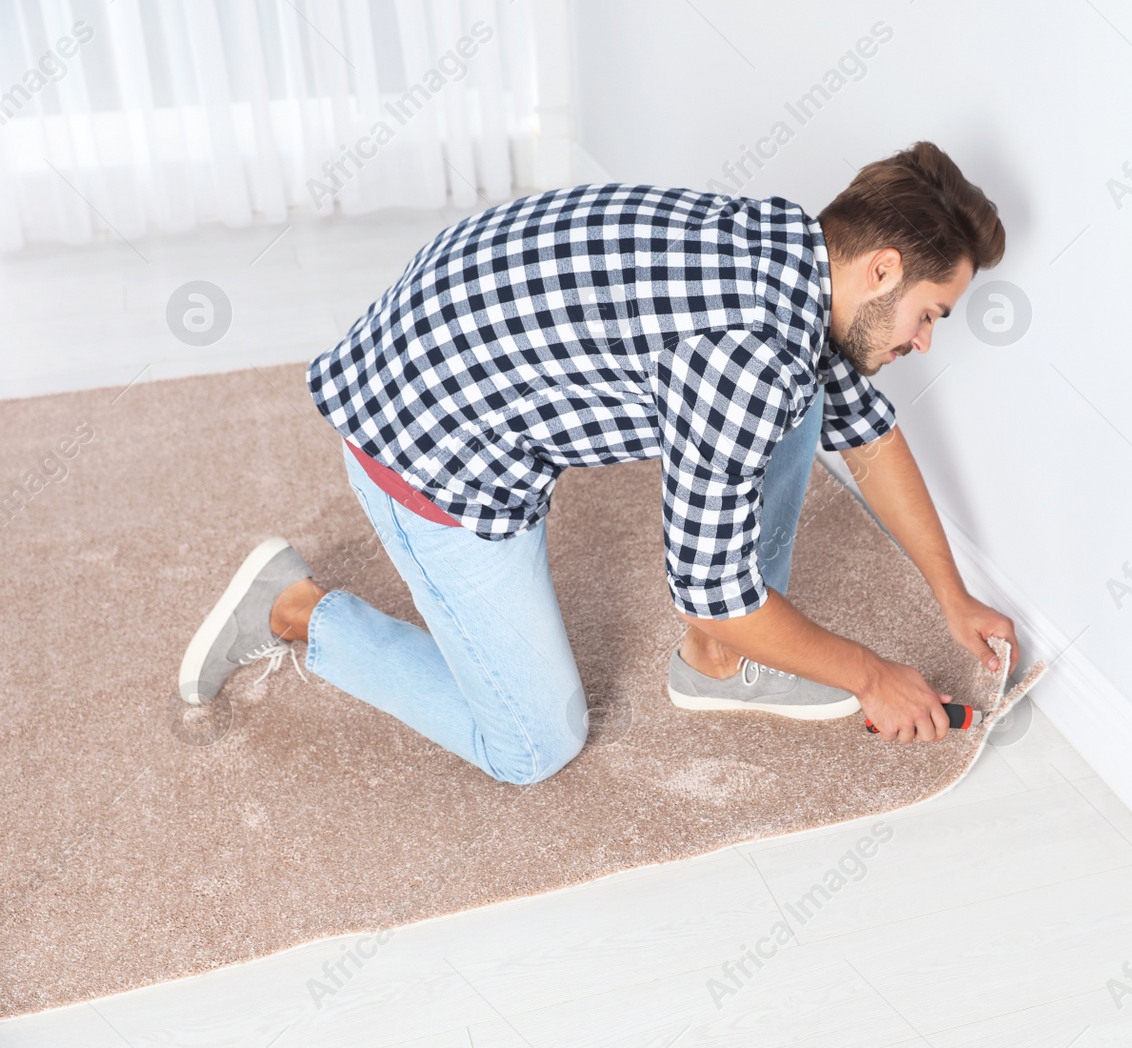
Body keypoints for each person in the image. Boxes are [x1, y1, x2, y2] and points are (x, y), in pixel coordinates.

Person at [177, 140, 1019, 785]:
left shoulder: (791, 251)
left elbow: (865, 435)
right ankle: (291, 608)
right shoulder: (744, 355)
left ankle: (720, 668)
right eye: (929, 312)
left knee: (811, 401)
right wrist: (873, 677)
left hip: (447, 346)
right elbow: (711, 591)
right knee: (533, 744)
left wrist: (952, 598)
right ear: (881, 268)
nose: (924, 339)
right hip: (426, 447)